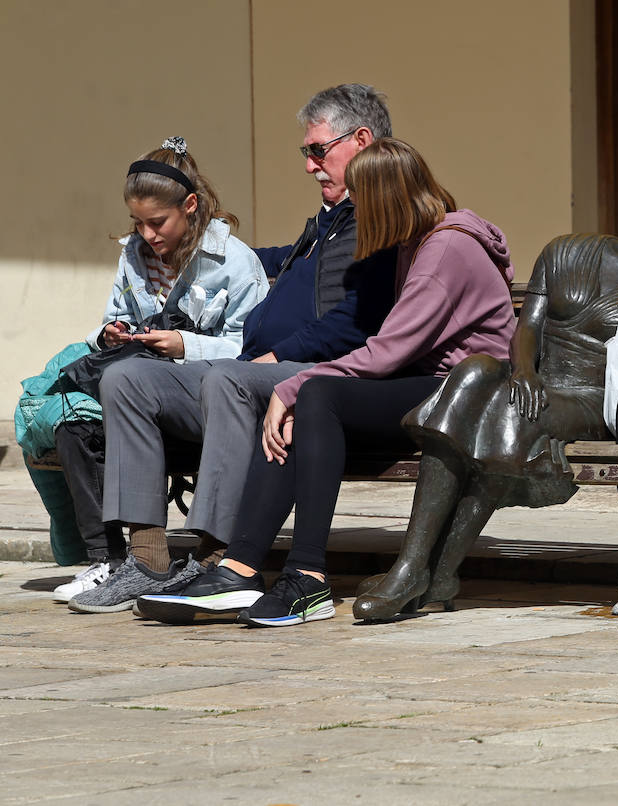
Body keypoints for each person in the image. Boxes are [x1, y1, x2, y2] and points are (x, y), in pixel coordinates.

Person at [135, 138, 516, 626]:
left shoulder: (445, 249)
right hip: (433, 384)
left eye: (362, 198)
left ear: (385, 199)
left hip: (468, 395)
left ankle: (307, 576)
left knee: (315, 394)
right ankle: (241, 568)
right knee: (306, 405)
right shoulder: (419, 240)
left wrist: (291, 386)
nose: (355, 209)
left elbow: (390, 350)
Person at [351, 158, 618, 621]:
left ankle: (414, 570)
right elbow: (526, 328)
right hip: (536, 386)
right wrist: (524, 370)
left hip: (593, 401)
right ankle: (427, 572)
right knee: (474, 371)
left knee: (507, 413)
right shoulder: (570, 250)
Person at [69, 84, 397, 614]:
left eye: (317, 150)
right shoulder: (329, 222)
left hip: (315, 373)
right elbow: (285, 261)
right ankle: (148, 558)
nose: (310, 165)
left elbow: (355, 320)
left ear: (360, 141)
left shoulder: (381, 220)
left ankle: (222, 560)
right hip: (257, 368)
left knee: (228, 377)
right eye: (306, 153)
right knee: (125, 379)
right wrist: (206, 250)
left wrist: (271, 358)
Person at [19, 138, 268, 602]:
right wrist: (111, 332)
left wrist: (185, 344)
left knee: (146, 384)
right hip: (141, 384)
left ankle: (215, 555)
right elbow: (114, 312)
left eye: (157, 222)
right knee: (77, 417)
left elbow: (252, 351)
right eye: (138, 222)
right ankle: (126, 560)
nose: (148, 234)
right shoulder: (133, 254)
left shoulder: (235, 262)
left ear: (190, 206)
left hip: (213, 393)